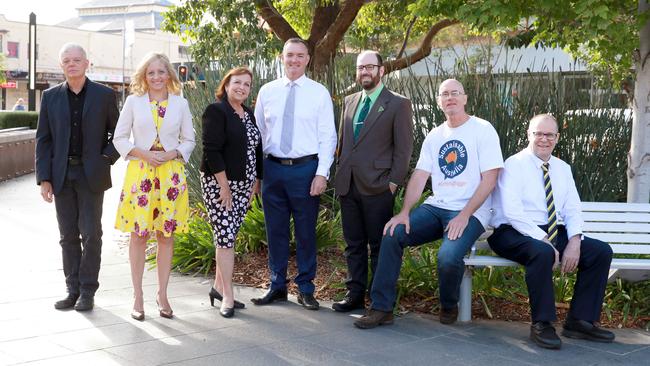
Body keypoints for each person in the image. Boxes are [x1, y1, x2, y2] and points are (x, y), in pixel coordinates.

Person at [354, 79, 504, 329]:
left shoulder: (482, 129)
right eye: (445, 94)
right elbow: (420, 175)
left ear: (465, 98)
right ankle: (382, 308)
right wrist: (404, 212)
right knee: (393, 233)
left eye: (455, 93)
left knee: (448, 256)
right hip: (437, 207)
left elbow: (491, 178)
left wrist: (465, 214)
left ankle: (448, 304)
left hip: (471, 210)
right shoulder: (436, 135)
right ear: (439, 101)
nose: (450, 98)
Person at [488, 113, 615, 349]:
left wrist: (575, 240)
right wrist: (546, 241)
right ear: (529, 135)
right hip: (512, 231)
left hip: (553, 230)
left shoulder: (562, 168)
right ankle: (542, 323)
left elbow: (573, 208)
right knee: (543, 252)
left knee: (600, 252)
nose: (544, 139)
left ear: (557, 137)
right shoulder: (513, 165)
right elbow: (514, 212)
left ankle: (580, 321)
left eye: (549, 134)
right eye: (538, 133)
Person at [252, 38, 337, 310]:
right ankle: (277, 286)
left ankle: (306, 288)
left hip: (305, 170)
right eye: (290, 55)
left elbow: (328, 137)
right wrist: (257, 173)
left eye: (300, 56)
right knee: (274, 231)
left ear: (308, 59)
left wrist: (321, 174)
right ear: (282, 57)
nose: (294, 60)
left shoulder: (319, 92)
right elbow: (258, 134)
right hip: (273, 170)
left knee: (305, 233)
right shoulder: (267, 91)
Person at [35, 43, 120, 311]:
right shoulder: (50, 97)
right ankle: (72, 289)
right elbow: (44, 140)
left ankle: (87, 291)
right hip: (61, 175)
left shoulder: (105, 95)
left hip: (90, 175)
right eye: (67, 61)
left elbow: (118, 135)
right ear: (62, 66)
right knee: (68, 235)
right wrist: (44, 178)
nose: (72, 64)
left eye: (76, 60)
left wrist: (105, 159)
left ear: (86, 63)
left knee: (92, 233)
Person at [113, 52, 195, 321]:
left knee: (165, 236)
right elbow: (119, 138)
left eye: (161, 72)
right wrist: (143, 154)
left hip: (170, 175)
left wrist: (172, 154)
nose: (157, 77)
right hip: (141, 174)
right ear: (143, 77)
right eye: (151, 73)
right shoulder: (133, 102)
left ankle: (163, 294)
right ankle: (138, 295)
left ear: (169, 75)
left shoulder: (180, 104)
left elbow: (189, 140)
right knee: (138, 235)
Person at [332, 50, 413, 312]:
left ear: (382, 70)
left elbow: (403, 150)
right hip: (348, 184)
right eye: (360, 68)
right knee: (353, 244)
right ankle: (354, 294)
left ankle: (378, 301)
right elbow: (345, 143)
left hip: (378, 186)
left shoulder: (398, 103)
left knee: (378, 245)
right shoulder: (350, 100)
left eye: (370, 67)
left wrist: (392, 184)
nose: (364, 72)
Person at [200, 67, 262, 318]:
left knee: (229, 237)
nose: (242, 88)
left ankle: (217, 287)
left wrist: (256, 181)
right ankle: (228, 295)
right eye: (237, 82)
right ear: (226, 85)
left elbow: (256, 149)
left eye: (247, 84)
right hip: (219, 185)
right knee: (225, 238)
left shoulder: (247, 114)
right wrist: (224, 186)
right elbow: (211, 150)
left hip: (244, 186)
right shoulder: (216, 111)